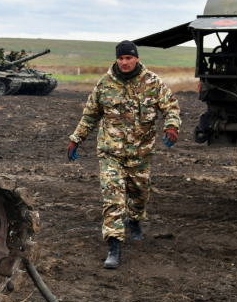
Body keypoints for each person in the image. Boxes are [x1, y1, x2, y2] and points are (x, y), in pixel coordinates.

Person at [66, 40, 180, 269]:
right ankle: (114, 246)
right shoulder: (105, 84)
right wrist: (75, 139)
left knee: (139, 194)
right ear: (117, 59)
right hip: (111, 151)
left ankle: (135, 220)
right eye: (121, 58)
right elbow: (90, 115)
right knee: (113, 197)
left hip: (141, 152)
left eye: (129, 58)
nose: (124, 62)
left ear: (136, 58)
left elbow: (170, 106)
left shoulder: (152, 82)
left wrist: (171, 126)